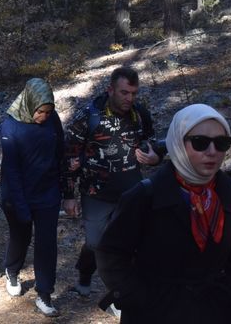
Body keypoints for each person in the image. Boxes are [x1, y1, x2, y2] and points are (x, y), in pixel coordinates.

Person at [96, 104, 231, 323]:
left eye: (221, 143)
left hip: (216, 314)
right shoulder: (143, 197)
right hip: (153, 315)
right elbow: (111, 254)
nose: (212, 151)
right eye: (200, 142)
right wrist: (138, 298)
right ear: (177, 143)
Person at [61, 66, 161, 299]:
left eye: (134, 93)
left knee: (129, 245)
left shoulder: (140, 115)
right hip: (96, 194)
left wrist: (156, 157)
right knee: (96, 243)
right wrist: (68, 195)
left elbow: (151, 142)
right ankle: (85, 275)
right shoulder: (88, 118)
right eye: (124, 92)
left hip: (132, 193)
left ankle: (121, 295)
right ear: (110, 90)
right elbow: (69, 157)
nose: (130, 98)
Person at [0, 78, 65, 317]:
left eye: (48, 112)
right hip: (17, 194)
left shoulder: (52, 120)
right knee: (21, 236)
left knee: (47, 243)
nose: (44, 117)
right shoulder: (10, 126)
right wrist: (21, 207)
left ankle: (45, 294)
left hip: (47, 193)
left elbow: (61, 152)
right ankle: (12, 270)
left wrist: (66, 190)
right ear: (29, 104)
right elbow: (12, 171)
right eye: (40, 112)